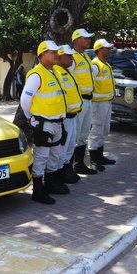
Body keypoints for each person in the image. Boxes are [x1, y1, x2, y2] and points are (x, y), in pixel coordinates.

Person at [20, 40, 68, 205]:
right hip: (43, 123)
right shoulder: (37, 74)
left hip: (56, 122)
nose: (56, 54)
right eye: (52, 52)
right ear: (42, 54)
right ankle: (38, 190)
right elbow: (25, 100)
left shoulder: (54, 71)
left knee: (54, 155)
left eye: (57, 51)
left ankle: (50, 184)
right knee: (41, 157)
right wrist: (30, 118)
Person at [71, 28, 103, 174]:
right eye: (86, 38)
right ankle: (69, 167)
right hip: (79, 101)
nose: (89, 40)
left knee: (84, 134)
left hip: (88, 100)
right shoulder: (73, 58)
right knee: (75, 134)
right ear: (77, 39)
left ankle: (79, 164)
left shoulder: (85, 57)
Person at [53, 44, 83, 184]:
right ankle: (59, 175)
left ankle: (67, 170)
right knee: (62, 148)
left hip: (73, 116)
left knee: (71, 145)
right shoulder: (56, 72)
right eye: (68, 56)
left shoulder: (68, 71)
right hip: (64, 118)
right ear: (59, 56)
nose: (72, 58)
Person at [88, 39, 116, 167]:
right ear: (99, 49)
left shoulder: (106, 65)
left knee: (104, 130)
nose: (110, 50)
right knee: (96, 130)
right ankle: (94, 160)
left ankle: (100, 156)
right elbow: (88, 83)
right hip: (97, 104)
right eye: (107, 48)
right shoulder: (95, 65)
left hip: (106, 103)